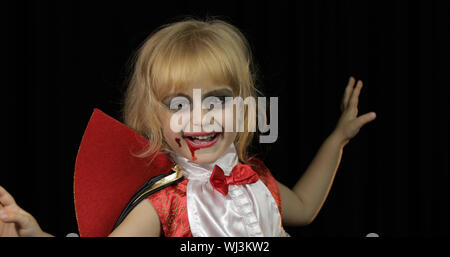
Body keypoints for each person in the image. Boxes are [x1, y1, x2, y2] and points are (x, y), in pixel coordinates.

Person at [0, 17, 376, 237]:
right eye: (179, 104)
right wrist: (37, 234)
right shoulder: (165, 202)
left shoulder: (256, 177)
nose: (201, 117)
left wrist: (338, 139)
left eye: (217, 100)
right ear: (154, 118)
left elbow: (306, 207)